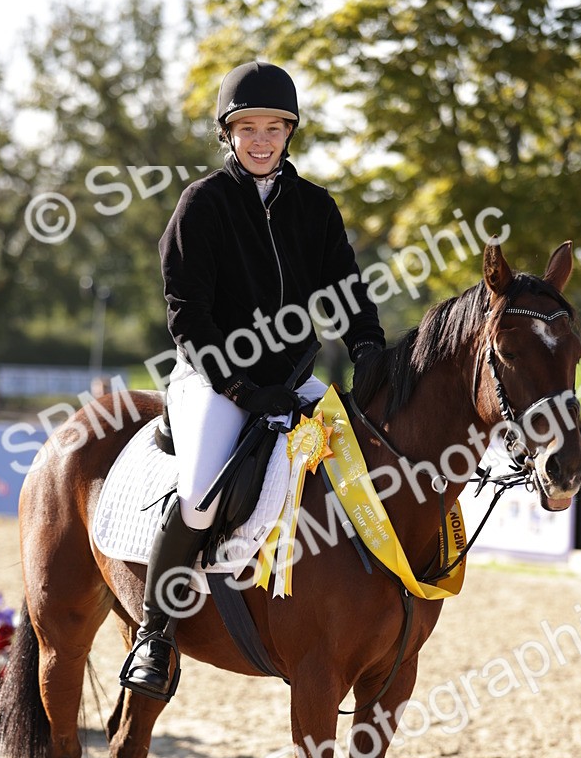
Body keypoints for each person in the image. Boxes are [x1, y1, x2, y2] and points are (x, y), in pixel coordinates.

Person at [121, 60, 385, 700]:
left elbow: (345, 287)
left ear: (289, 133)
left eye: (274, 127)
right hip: (212, 382)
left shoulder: (315, 207)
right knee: (203, 496)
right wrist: (240, 388)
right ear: (228, 134)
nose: (261, 139)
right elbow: (189, 314)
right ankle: (156, 631)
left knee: (365, 466)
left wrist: (369, 346)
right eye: (248, 128)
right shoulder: (203, 205)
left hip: (294, 381)